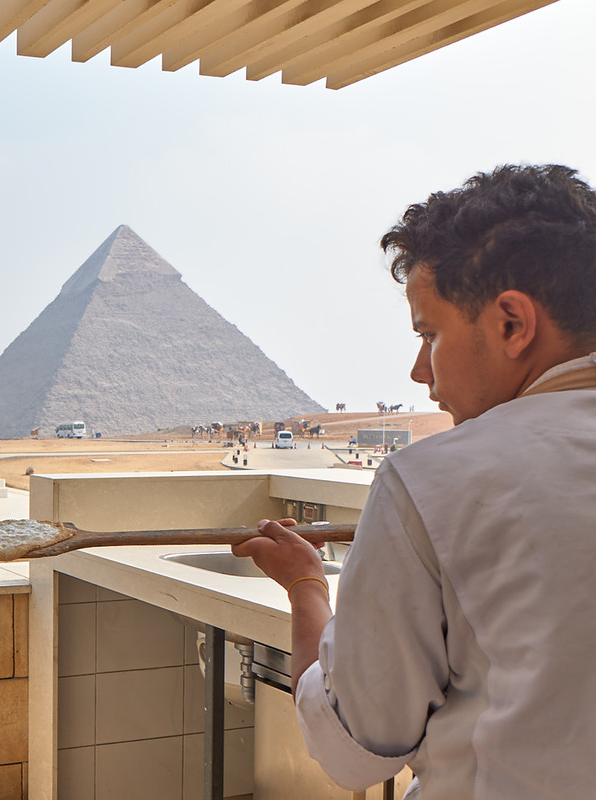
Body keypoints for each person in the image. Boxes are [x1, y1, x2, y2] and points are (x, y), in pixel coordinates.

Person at [233, 164, 596, 799]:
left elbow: (355, 748)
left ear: (512, 323)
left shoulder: (436, 482)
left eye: (430, 334)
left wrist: (305, 586)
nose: (417, 370)